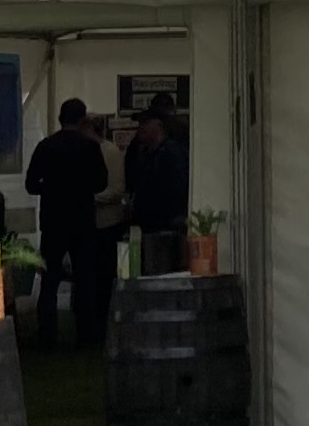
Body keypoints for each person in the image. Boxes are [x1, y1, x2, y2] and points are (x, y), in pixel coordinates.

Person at [24, 98, 111, 349]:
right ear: (83, 119)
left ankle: (47, 335)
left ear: (61, 118)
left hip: (53, 219)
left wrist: (51, 188)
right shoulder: (91, 148)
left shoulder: (46, 146)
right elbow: (101, 183)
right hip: (82, 219)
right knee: (85, 278)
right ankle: (86, 336)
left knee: (50, 280)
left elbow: (31, 184)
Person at [125, 97, 190, 270]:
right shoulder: (144, 152)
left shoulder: (171, 153)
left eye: (145, 123)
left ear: (158, 125)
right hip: (151, 227)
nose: (140, 128)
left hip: (167, 227)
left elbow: (175, 190)